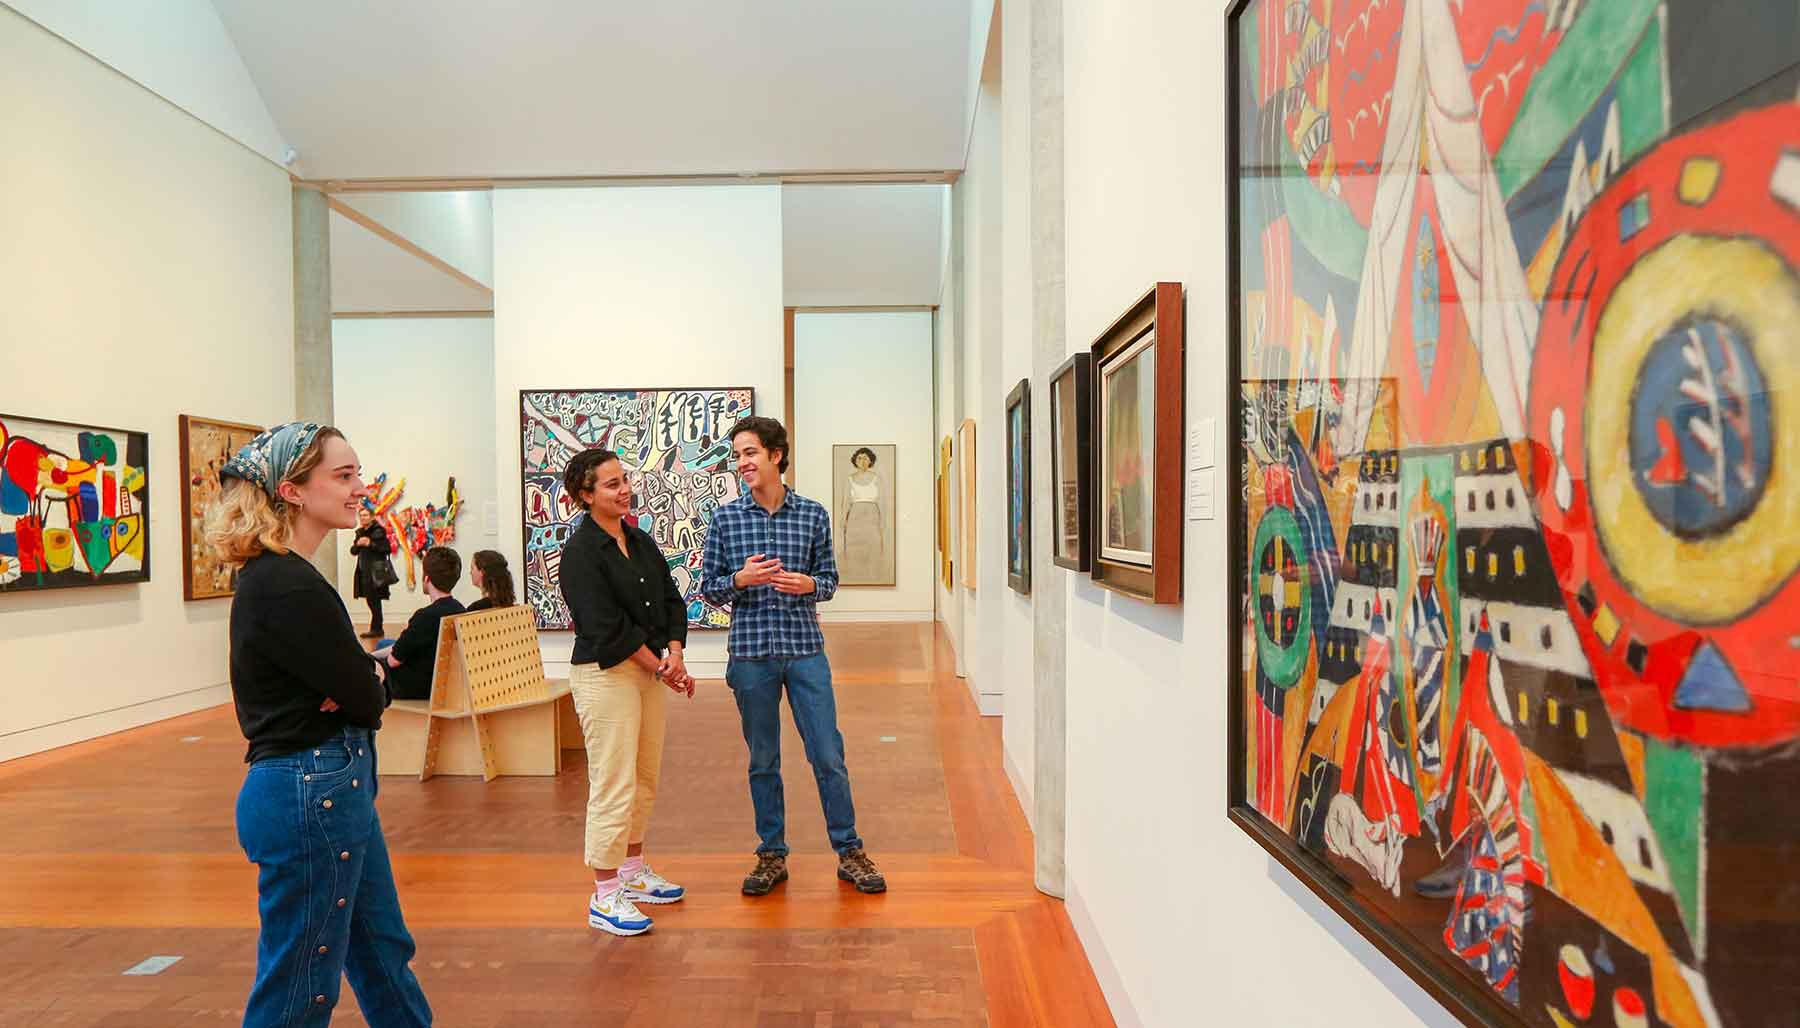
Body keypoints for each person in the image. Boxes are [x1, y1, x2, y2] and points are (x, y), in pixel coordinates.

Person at [204, 420, 431, 1027]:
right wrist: (364, 681)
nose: (361, 486)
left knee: (381, 953)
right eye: (345, 474)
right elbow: (364, 694)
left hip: (328, 788)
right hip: (311, 794)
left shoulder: (290, 577)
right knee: (300, 984)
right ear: (294, 490)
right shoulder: (283, 583)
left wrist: (359, 681)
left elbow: (356, 687)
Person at [701, 416, 886, 896]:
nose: (742, 463)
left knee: (828, 754)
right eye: (738, 455)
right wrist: (740, 579)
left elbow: (828, 580)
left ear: (776, 455)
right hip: (750, 656)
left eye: (750, 453)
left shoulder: (813, 515)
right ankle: (771, 854)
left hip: (805, 652)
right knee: (763, 759)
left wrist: (809, 585)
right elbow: (709, 592)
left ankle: (849, 851)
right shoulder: (725, 519)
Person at [557, 448, 697, 936]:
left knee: (644, 776)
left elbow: (670, 600)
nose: (624, 489)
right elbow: (606, 627)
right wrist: (663, 667)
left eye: (624, 480)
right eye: (612, 484)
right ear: (586, 495)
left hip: (647, 671)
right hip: (605, 675)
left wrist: (673, 653)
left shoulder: (639, 541)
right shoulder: (579, 554)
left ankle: (634, 874)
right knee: (613, 782)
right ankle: (605, 894)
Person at [379, 547, 464, 701]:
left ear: (427, 579)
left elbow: (393, 661)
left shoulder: (425, 616)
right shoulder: (460, 609)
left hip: (414, 686)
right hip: (439, 680)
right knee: (383, 644)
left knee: (369, 663)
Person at [838, 446, 887, 583]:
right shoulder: (849, 479)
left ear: (870, 460)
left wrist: (883, 522)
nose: (862, 460)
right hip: (855, 518)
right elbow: (845, 502)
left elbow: (882, 503)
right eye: (859, 457)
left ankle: (873, 580)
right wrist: (843, 520)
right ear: (855, 460)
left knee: (873, 549)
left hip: (872, 518)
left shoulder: (877, 479)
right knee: (854, 551)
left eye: (865, 458)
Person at [350, 508, 393, 638]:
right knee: (370, 600)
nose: (362, 518)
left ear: (372, 517)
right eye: (361, 515)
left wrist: (370, 543)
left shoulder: (379, 531)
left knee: (374, 600)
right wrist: (358, 544)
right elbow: (353, 551)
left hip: (376, 572)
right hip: (364, 572)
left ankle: (376, 629)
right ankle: (376, 628)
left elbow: (386, 549)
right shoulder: (360, 532)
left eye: (365, 515)